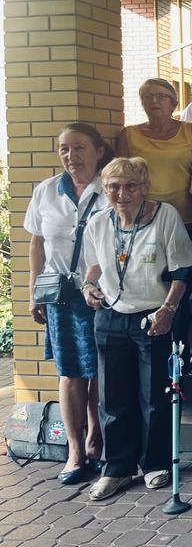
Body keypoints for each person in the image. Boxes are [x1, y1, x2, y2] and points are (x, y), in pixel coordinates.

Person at [81, 157, 192, 501]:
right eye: (114, 187)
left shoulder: (164, 216)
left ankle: (155, 463)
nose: (122, 193)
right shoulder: (99, 222)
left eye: (131, 185)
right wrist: (89, 288)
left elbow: (182, 271)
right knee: (113, 397)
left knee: (155, 395)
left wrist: (169, 310)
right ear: (105, 191)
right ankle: (116, 468)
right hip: (110, 316)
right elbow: (92, 267)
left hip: (154, 314)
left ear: (144, 187)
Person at [26, 124, 112, 485]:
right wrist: (34, 291)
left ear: (98, 151)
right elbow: (36, 244)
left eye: (79, 148)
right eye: (63, 149)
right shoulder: (46, 191)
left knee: (102, 370)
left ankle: (99, 437)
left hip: (104, 291)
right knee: (70, 370)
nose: (70, 156)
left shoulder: (111, 188)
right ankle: (76, 451)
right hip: (61, 294)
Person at [116, 79, 192, 225]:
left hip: (187, 216)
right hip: (143, 215)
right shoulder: (128, 134)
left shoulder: (191, 131)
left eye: (161, 97)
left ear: (173, 104)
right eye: (148, 96)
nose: (154, 100)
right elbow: (119, 176)